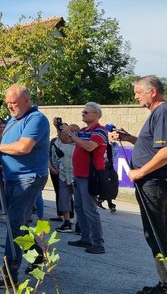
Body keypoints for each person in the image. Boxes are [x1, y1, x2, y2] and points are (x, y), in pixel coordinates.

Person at [111, 76, 167, 294]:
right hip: (150, 183)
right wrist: (129, 138)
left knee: (157, 234)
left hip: (153, 183)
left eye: (138, 92)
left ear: (152, 91)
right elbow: (155, 147)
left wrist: (140, 171)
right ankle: (166, 283)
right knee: (156, 233)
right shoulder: (158, 114)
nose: (135, 96)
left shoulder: (163, 112)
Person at [0, 84, 49, 289]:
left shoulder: (36, 119)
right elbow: (9, 143)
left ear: (26, 101)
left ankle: (10, 276)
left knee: (14, 224)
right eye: (8, 103)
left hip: (29, 178)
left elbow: (23, 147)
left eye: (13, 103)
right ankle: (38, 258)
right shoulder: (15, 118)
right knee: (19, 224)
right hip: (13, 177)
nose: (10, 107)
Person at [62, 102, 107, 254]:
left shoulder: (99, 131)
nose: (83, 114)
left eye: (86, 112)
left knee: (90, 209)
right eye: (83, 112)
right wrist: (62, 129)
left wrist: (72, 135)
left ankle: (98, 243)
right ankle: (86, 238)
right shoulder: (83, 131)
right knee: (80, 208)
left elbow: (89, 146)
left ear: (96, 115)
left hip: (90, 176)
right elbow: (66, 140)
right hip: (80, 175)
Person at [51, 123, 80, 233]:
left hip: (75, 175)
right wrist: (56, 167)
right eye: (69, 130)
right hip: (63, 174)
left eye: (73, 131)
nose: (70, 133)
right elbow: (54, 153)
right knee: (63, 199)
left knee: (78, 201)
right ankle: (66, 222)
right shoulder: (61, 142)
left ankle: (79, 223)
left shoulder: (79, 143)